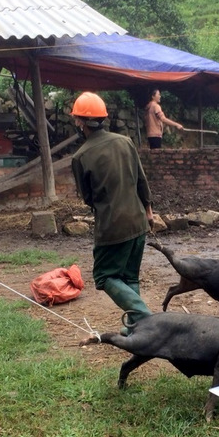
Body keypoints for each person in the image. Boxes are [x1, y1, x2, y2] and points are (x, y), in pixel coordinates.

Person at [70, 91, 153, 331]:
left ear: (81, 123)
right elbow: (141, 180)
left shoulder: (81, 156)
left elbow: (88, 199)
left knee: (105, 277)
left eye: (77, 119)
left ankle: (146, 318)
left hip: (112, 227)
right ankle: (136, 329)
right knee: (129, 278)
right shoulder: (125, 142)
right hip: (138, 222)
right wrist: (148, 212)